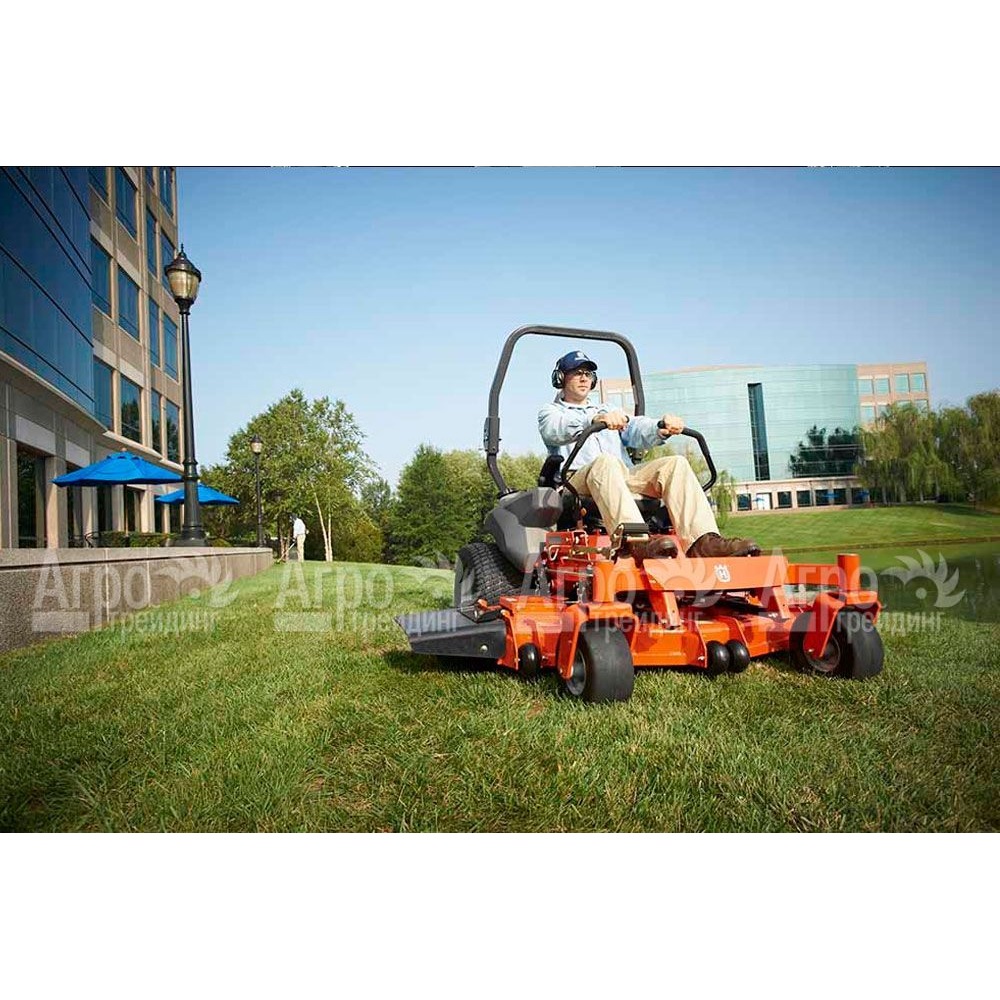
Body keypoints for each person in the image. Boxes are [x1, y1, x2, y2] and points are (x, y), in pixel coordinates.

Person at [538, 350, 760, 561]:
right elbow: (555, 429)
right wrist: (593, 420)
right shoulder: (551, 412)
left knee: (675, 464)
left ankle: (702, 543)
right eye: (577, 373)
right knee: (606, 462)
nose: (584, 378)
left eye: (588, 374)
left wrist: (660, 427)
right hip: (576, 482)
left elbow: (635, 427)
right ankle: (636, 541)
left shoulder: (608, 409)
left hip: (620, 476)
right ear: (561, 378)